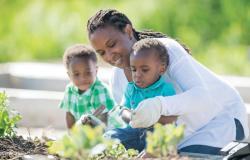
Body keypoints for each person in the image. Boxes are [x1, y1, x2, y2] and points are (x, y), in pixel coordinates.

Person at [86, 9, 249, 155]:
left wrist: (159, 105)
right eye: (101, 53)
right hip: (175, 137)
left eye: (112, 45)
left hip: (220, 120)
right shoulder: (117, 77)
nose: (109, 56)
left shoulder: (165, 50)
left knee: (181, 157)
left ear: (128, 31)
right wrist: (101, 127)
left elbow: (202, 97)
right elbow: (132, 123)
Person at [105, 38, 176, 152]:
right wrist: (131, 117)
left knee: (160, 143)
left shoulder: (166, 89)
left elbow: (172, 118)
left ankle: (150, 153)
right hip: (134, 131)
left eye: (145, 70)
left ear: (161, 68)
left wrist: (150, 120)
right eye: (134, 69)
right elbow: (123, 109)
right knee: (109, 137)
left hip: (155, 133)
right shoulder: (131, 88)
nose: (137, 75)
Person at [59, 44, 115, 129]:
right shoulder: (69, 90)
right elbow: (69, 115)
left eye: (88, 73)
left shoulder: (100, 90)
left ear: (96, 71)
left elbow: (104, 120)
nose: (83, 78)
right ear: (69, 75)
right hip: (84, 130)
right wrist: (72, 135)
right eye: (76, 74)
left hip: (106, 130)